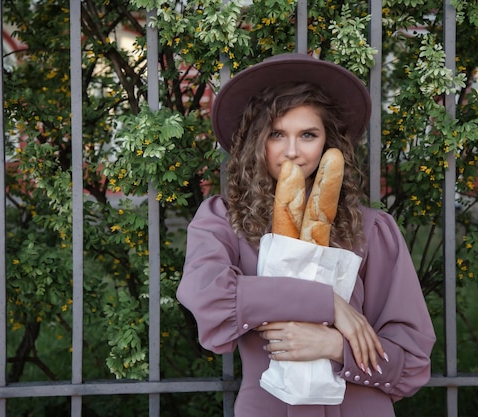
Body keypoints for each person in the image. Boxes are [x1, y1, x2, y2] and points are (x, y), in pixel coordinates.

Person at [176, 53, 436, 417]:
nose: (293, 152)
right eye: (276, 134)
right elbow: (212, 304)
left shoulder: (373, 229)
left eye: (308, 135)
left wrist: (335, 346)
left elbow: (410, 365)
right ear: (256, 141)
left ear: (330, 143)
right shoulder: (222, 221)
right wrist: (327, 303)